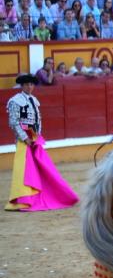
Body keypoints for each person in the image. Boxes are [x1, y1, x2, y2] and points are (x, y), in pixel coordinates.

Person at [6, 73, 78, 211]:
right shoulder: (15, 100)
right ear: (22, 85)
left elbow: (37, 121)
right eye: (27, 84)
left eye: (32, 84)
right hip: (24, 140)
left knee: (39, 167)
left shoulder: (34, 100)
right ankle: (24, 198)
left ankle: (36, 194)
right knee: (25, 169)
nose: (30, 87)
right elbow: (14, 123)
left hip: (34, 138)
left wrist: (37, 136)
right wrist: (24, 137)